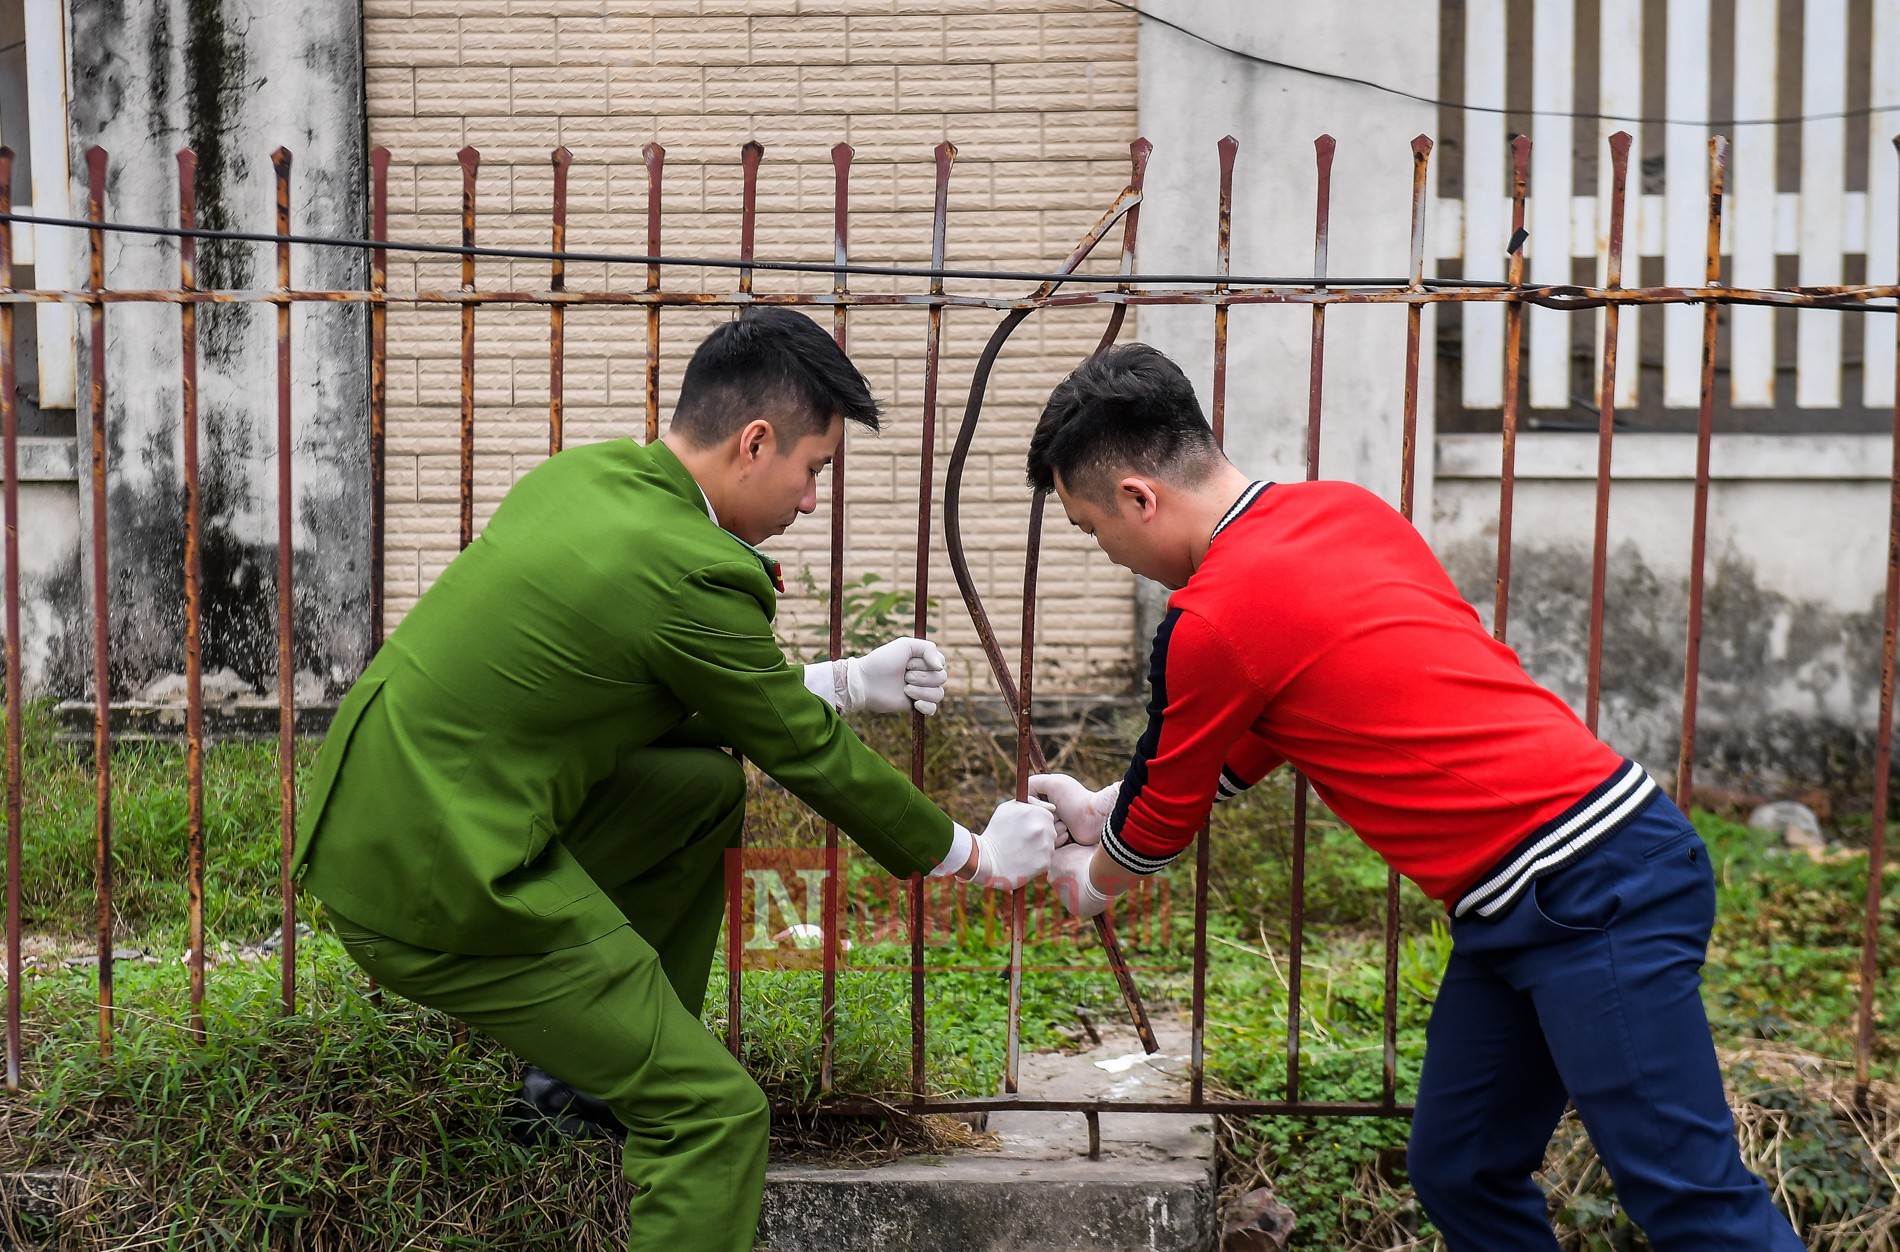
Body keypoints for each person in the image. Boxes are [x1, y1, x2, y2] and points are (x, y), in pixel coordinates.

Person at [292, 308, 1056, 1252]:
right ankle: (640, 1078)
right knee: (714, 1117)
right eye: (814, 469)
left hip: (392, 817)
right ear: (756, 442)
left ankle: (578, 1084)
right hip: (442, 878)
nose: (812, 501)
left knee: (699, 788)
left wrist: (845, 681)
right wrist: (976, 857)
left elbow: (646, 679)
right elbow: (802, 753)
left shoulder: (591, 479)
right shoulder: (690, 570)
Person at [1022, 343, 1803, 1252]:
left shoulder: (1211, 619)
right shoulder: (1341, 511)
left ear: (1137, 498)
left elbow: (1157, 829)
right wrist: (1104, 805)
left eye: (1091, 529)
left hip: (1596, 886)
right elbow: (1273, 725)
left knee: (1688, 1196)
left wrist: (1093, 878)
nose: (1107, 553)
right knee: (1462, 1168)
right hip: (1528, 900)